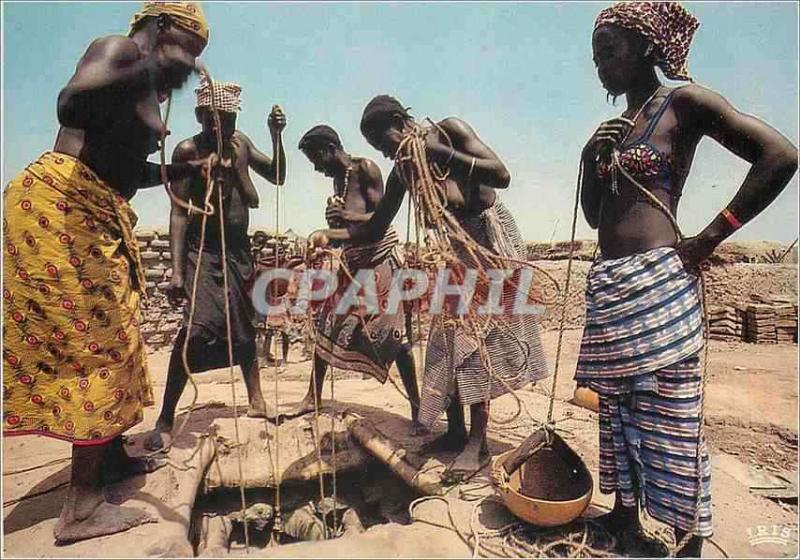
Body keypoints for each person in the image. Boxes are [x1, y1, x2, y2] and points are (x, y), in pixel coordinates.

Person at [576, 2, 798, 556]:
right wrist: (590, 159)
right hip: (612, 286)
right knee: (617, 409)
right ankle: (626, 520)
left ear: (647, 46)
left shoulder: (683, 103)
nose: (600, 65)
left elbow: (780, 155)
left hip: (660, 283)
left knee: (672, 414)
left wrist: (709, 238)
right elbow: (594, 215)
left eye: (610, 51)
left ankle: (689, 537)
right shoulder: (614, 129)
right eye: (594, 56)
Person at [2, 1, 212, 544]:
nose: (191, 63)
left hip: (96, 206)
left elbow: (122, 167)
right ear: (162, 28)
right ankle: (82, 508)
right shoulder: (118, 52)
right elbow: (71, 105)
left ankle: (112, 457)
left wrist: (185, 167)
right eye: (190, 49)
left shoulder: (146, 80)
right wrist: (148, 70)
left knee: (117, 336)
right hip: (61, 207)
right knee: (97, 341)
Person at [308, 98, 549, 479]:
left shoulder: (449, 131)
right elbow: (374, 228)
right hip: (452, 251)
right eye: (376, 149)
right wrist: (337, 227)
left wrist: (436, 151)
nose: (385, 153)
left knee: (476, 341)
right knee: (446, 339)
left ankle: (478, 444)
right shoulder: (403, 171)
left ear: (400, 121)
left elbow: (501, 176)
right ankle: (455, 431)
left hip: (487, 239)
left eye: (383, 141)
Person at [144, 77, 287, 451]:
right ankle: (165, 417)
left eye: (227, 119)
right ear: (200, 116)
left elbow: (277, 176)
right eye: (213, 119)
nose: (221, 126)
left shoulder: (241, 146)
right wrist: (176, 271)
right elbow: (178, 214)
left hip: (239, 252)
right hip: (202, 252)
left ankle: (256, 400)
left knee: (245, 327)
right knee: (195, 328)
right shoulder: (187, 151)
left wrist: (276, 136)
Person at [281, 124, 423, 433]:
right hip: (353, 263)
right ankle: (313, 397)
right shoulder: (338, 180)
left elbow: (380, 219)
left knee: (395, 338)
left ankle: (417, 407)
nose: (316, 168)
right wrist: (326, 238)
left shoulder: (366, 169)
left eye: (316, 159)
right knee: (326, 325)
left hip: (379, 263)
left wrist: (343, 219)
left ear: (330, 149)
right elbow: (349, 232)